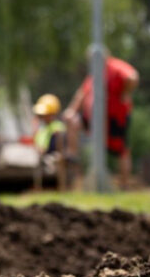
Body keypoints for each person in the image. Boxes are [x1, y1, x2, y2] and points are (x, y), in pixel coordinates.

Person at [63, 51, 139, 190]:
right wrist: (72, 109)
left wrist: (125, 92)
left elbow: (132, 77)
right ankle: (72, 155)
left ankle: (124, 184)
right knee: (73, 120)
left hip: (115, 117)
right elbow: (82, 92)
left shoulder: (115, 66)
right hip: (94, 119)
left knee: (122, 150)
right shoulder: (95, 74)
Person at [32, 94, 69, 189]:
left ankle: (61, 187)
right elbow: (39, 141)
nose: (43, 117)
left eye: (45, 115)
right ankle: (38, 187)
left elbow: (59, 142)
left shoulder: (57, 127)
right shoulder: (42, 128)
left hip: (54, 153)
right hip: (42, 153)